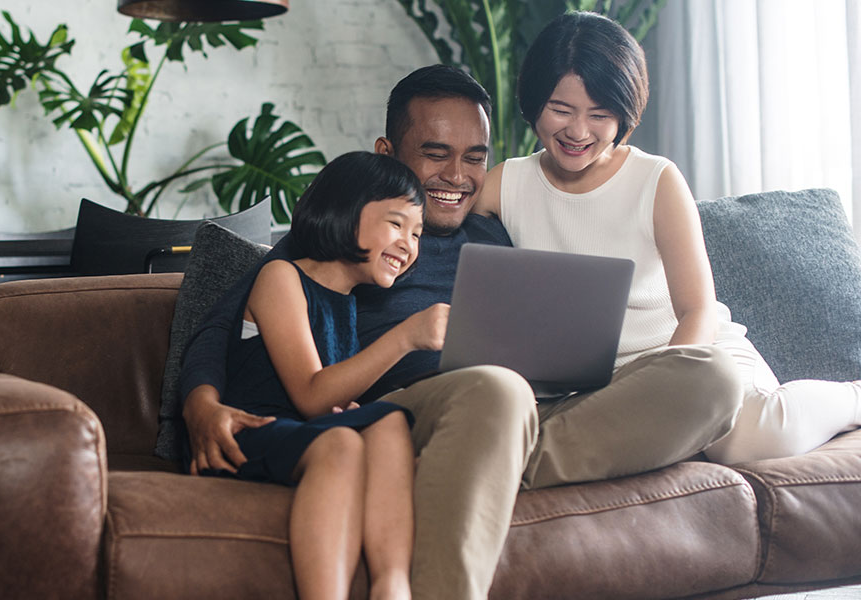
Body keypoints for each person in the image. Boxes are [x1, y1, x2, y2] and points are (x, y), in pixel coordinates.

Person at [180, 64, 738, 599]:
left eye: (475, 158)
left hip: (527, 409)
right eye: (436, 154)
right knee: (496, 389)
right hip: (416, 413)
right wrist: (200, 404)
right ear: (388, 154)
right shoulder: (356, 232)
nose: (457, 176)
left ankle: (492, 460)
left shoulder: (495, 233)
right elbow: (223, 318)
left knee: (713, 379)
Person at [474, 11, 861, 466]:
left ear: (625, 114)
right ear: (534, 101)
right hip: (594, 385)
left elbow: (697, 310)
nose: (578, 132)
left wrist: (668, 389)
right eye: (561, 110)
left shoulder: (655, 179)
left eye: (599, 115)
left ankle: (854, 396)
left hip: (693, 356)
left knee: (745, 439)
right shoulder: (505, 185)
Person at [220, 151, 440, 600]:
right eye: (397, 224)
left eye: (417, 234)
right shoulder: (281, 277)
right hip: (249, 433)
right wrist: (407, 336)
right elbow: (310, 395)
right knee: (342, 440)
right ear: (345, 211)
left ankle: (392, 586)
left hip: (301, 435)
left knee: (389, 420)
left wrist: (347, 410)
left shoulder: (348, 302)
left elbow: (329, 397)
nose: (408, 244)